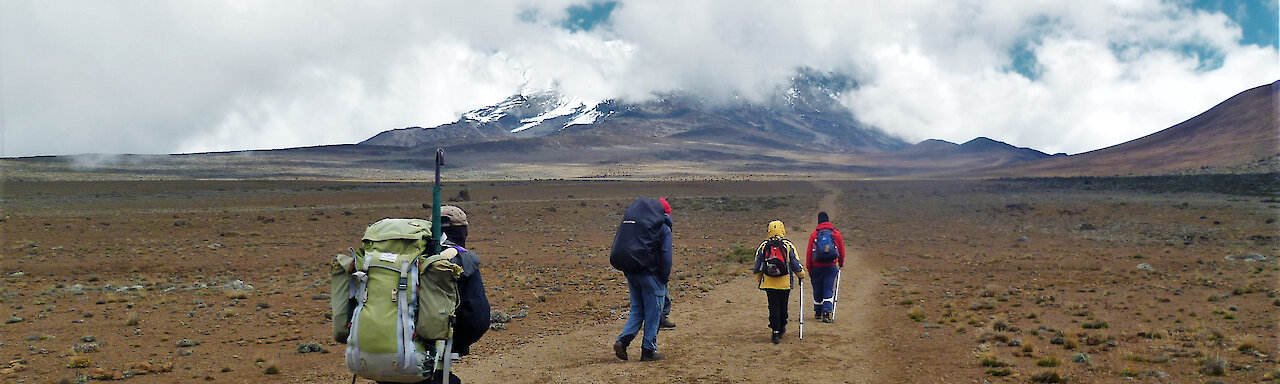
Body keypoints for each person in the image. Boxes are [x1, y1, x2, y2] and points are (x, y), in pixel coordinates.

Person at [375, 206, 490, 384]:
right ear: (462, 231)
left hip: (383, 358)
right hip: (431, 366)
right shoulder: (460, 261)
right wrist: (453, 342)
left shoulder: (402, 258)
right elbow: (476, 319)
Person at [611, 198, 674, 362]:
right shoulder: (663, 228)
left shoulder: (639, 225)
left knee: (637, 309)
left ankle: (622, 341)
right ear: (665, 213)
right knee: (654, 313)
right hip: (651, 275)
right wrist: (664, 278)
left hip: (632, 271)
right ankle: (648, 351)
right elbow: (666, 256)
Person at [753, 220, 806, 344]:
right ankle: (782, 326)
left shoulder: (763, 245)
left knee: (773, 306)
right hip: (785, 282)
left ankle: (775, 331)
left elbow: (757, 265)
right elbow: (795, 263)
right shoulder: (788, 245)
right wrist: (801, 274)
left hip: (769, 282)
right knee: (783, 305)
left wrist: (759, 278)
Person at [805, 211, 846, 323]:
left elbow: (809, 253)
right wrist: (840, 264)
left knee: (817, 288)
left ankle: (818, 311)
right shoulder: (836, 234)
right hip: (831, 266)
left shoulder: (814, 235)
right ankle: (826, 313)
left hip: (816, 267)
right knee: (828, 288)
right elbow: (841, 251)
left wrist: (809, 268)